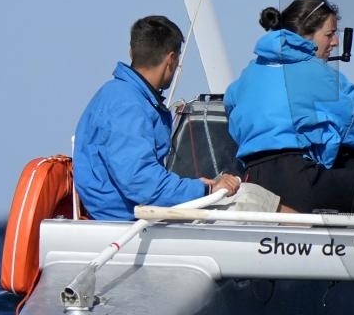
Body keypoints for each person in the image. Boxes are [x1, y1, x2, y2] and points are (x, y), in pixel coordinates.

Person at [224, 0, 354, 215]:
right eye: (329, 34)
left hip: (253, 180)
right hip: (297, 181)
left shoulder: (247, 75)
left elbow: (231, 111)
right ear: (305, 34)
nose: (335, 42)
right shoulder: (315, 72)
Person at [74, 15, 240, 221]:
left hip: (129, 216)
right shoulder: (127, 105)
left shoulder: (120, 95)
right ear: (171, 59)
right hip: (123, 222)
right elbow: (140, 180)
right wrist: (205, 190)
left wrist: (200, 186)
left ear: (131, 52)